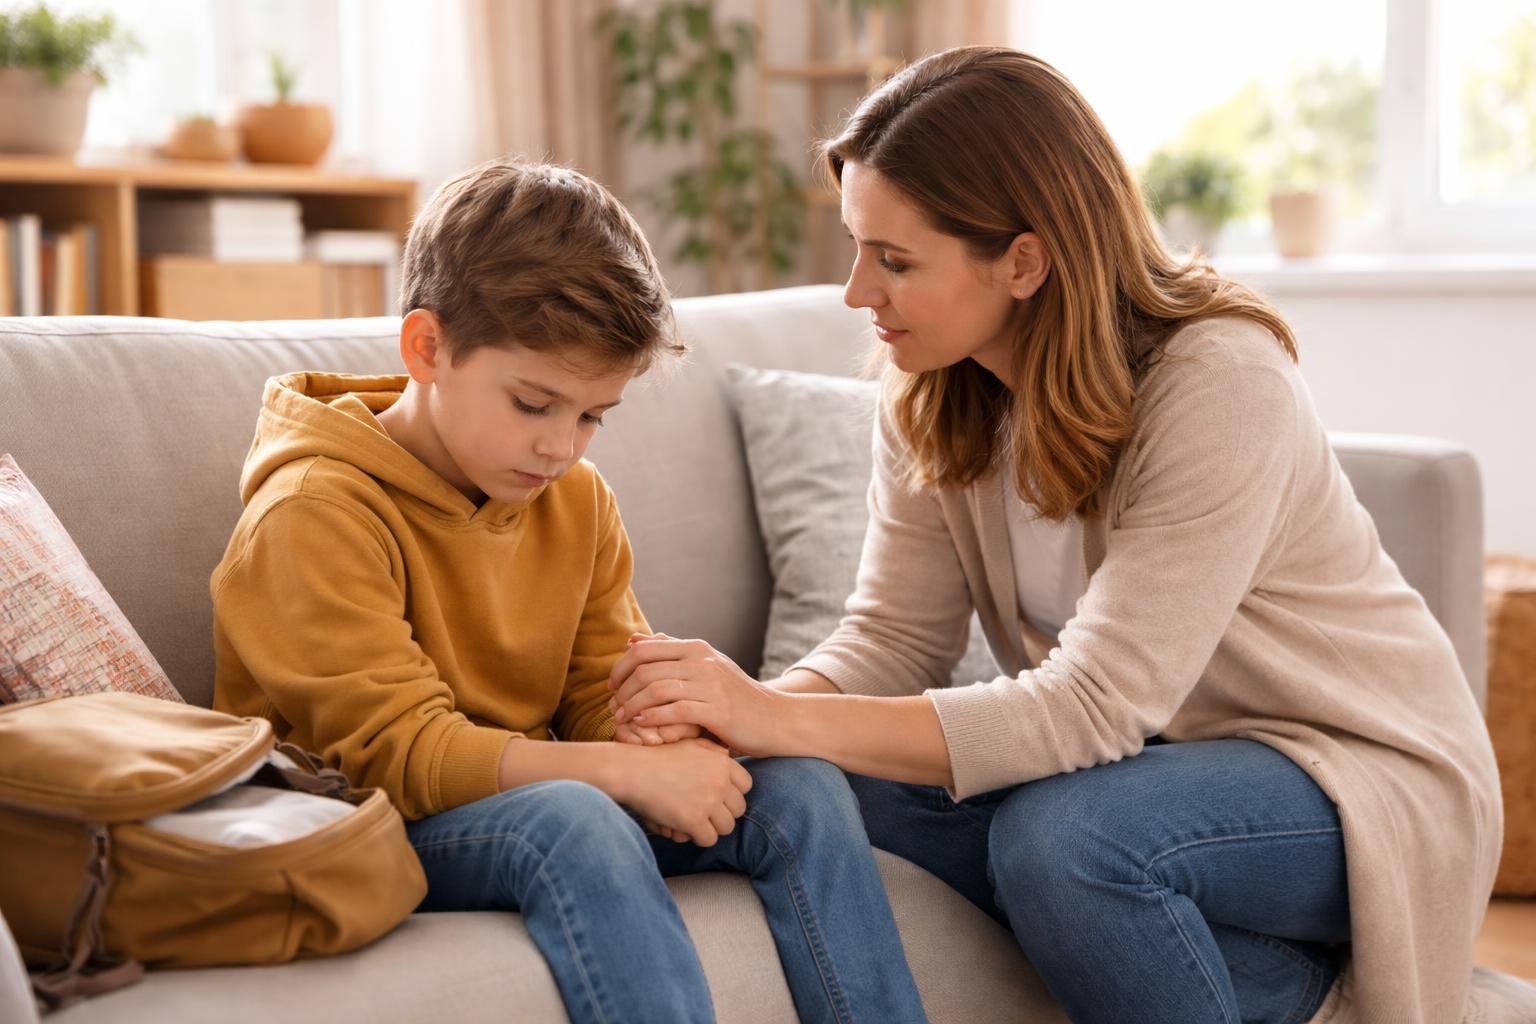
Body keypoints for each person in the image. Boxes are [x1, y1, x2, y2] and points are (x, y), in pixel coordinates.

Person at [607, 47, 1503, 1024]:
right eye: (858, 248)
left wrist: (769, 717)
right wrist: (738, 722)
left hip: (1351, 775)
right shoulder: (930, 389)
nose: (858, 292)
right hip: (1147, 773)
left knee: (1067, 840)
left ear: (1024, 262)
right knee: (823, 782)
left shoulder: (1221, 380)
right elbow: (895, 638)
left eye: (895, 260)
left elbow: (1093, 708)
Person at [210, 158, 927, 1024]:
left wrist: (660, 735)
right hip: (363, 821)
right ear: (427, 348)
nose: (562, 448)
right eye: (533, 404)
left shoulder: (575, 500)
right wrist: (626, 772)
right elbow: (397, 754)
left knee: (801, 789)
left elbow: (598, 692)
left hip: (530, 796)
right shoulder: (313, 511)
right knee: (576, 819)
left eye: (591, 416)